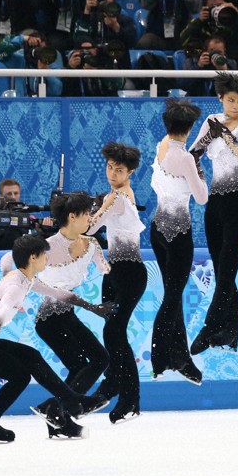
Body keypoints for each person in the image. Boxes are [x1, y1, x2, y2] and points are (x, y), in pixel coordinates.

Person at [0, 235, 112, 442]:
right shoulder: (15, 285)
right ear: (32, 258)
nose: (47, 259)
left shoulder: (25, 278)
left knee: (30, 358)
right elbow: (3, 310)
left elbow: (59, 293)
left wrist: (93, 308)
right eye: (43, 255)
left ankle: (67, 406)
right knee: (20, 375)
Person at [29, 191, 114, 439]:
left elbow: (107, 269)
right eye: (87, 213)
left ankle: (58, 418)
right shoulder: (47, 248)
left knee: (87, 363)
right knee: (97, 358)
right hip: (48, 319)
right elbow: (29, 278)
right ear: (72, 216)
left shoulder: (92, 244)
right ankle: (56, 409)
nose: (91, 218)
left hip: (66, 314)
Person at [190, 72, 238, 354]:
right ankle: (231, 331)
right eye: (231, 100)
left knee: (229, 266)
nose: (236, 105)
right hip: (215, 200)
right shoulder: (210, 122)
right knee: (221, 271)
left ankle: (209, 329)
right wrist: (201, 179)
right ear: (220, 98)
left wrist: (226, 133)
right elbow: (193, 153)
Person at [85, 142, 147, 423]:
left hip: (129, 272)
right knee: (112, 333)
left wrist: (71, 214)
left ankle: (129, 398)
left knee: (115, 333)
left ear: (130, 172)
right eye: (109, 167)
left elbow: (89, 229)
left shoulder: (118, 197)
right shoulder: (116, 195)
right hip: (115, 270)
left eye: (119, 169)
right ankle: (114, 387)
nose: (112, 173)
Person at [150, 99, 209, 382]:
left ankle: (180, 357)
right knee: (172, 299)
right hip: (178, 234)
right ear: (189, 128)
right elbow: (201, 197)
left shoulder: (161, 145)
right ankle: (160, 358)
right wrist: (199, 173)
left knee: (173, 297)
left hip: (158, 228)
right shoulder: (185, 158)